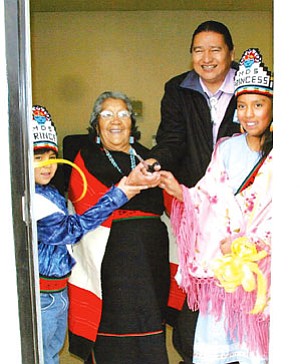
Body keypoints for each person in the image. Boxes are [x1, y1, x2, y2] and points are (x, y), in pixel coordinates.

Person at [134, 20, 242, 363]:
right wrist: (154, 162)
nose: (206, 58)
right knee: (200, 277)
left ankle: (240, 350)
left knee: (241, 278)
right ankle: (195, 352)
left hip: (243, 201)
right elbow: (172, 140)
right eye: (198, 50)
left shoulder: (251, 85)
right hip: (195, 201)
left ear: (230, 53)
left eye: (215, 49)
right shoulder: (178, 88)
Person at [159, 48, 273, 363]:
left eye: (259, 105)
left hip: (265, 265)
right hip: (225, 263)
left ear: (273, 108)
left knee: (259, 349)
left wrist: (253, 241)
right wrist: (182, 193)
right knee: (216, 346)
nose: (250, 114)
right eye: (242, 105)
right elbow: (208, 195)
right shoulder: (226, 147)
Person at [32, 104, 145, 364]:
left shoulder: (50, 191)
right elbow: (70, 230)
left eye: (51, 157)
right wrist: (118, 196)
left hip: (59, 291)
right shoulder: (32, 199)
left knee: (51, 353)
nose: (47, 165)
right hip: (44, 295)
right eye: (38, 158)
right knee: (43, 356)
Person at [67, 91, 170, 364]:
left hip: (151, 259)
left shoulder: (149, 158)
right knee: (114, 332)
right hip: (112, 259)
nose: (116, 121)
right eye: (107, 114)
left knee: (149, 328)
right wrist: (127, 190)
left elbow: (173, 202)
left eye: (123, 114)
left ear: (132, 123)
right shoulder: (86, 158)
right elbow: (86, 206)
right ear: (96, 123)